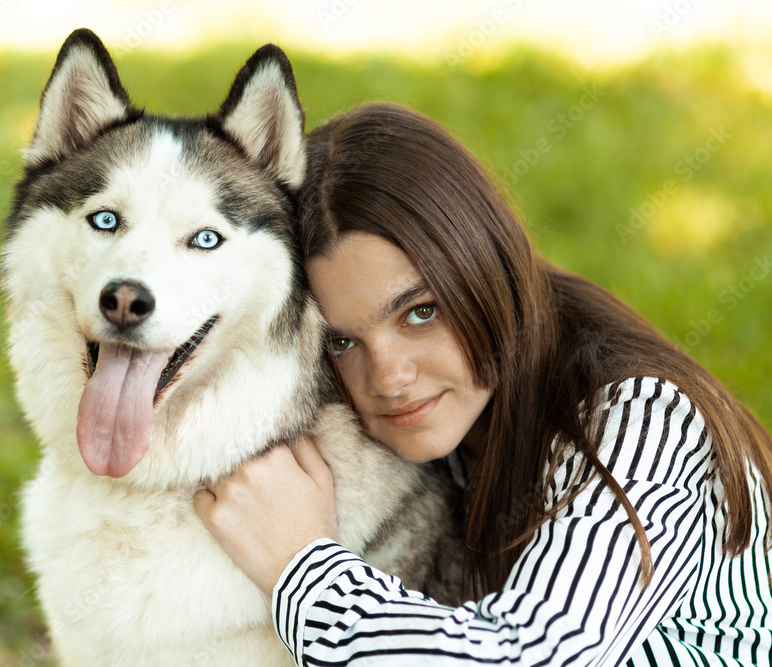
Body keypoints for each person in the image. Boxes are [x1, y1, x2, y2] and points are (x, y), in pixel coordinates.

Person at [193, 102, 772, 666]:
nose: (390, 377)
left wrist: (302, 565)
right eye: (342, 342)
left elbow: (530, 656)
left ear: (484, 268)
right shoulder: (430, 431)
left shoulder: (645, 419)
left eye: (420, 312)